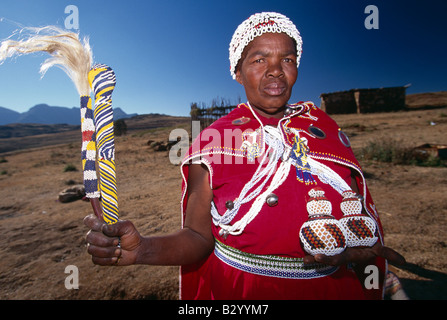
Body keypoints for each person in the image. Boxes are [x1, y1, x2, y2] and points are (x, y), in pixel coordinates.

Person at [84, 12, 405, 300]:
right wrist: (143, 249)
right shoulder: (214, 142)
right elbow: (198, 236)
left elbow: (357, 206)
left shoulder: (323, 126)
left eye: (287, 59)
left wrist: (359, 253)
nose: (276, 71)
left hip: (334, 289)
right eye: (259, 60)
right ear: (237, 71)